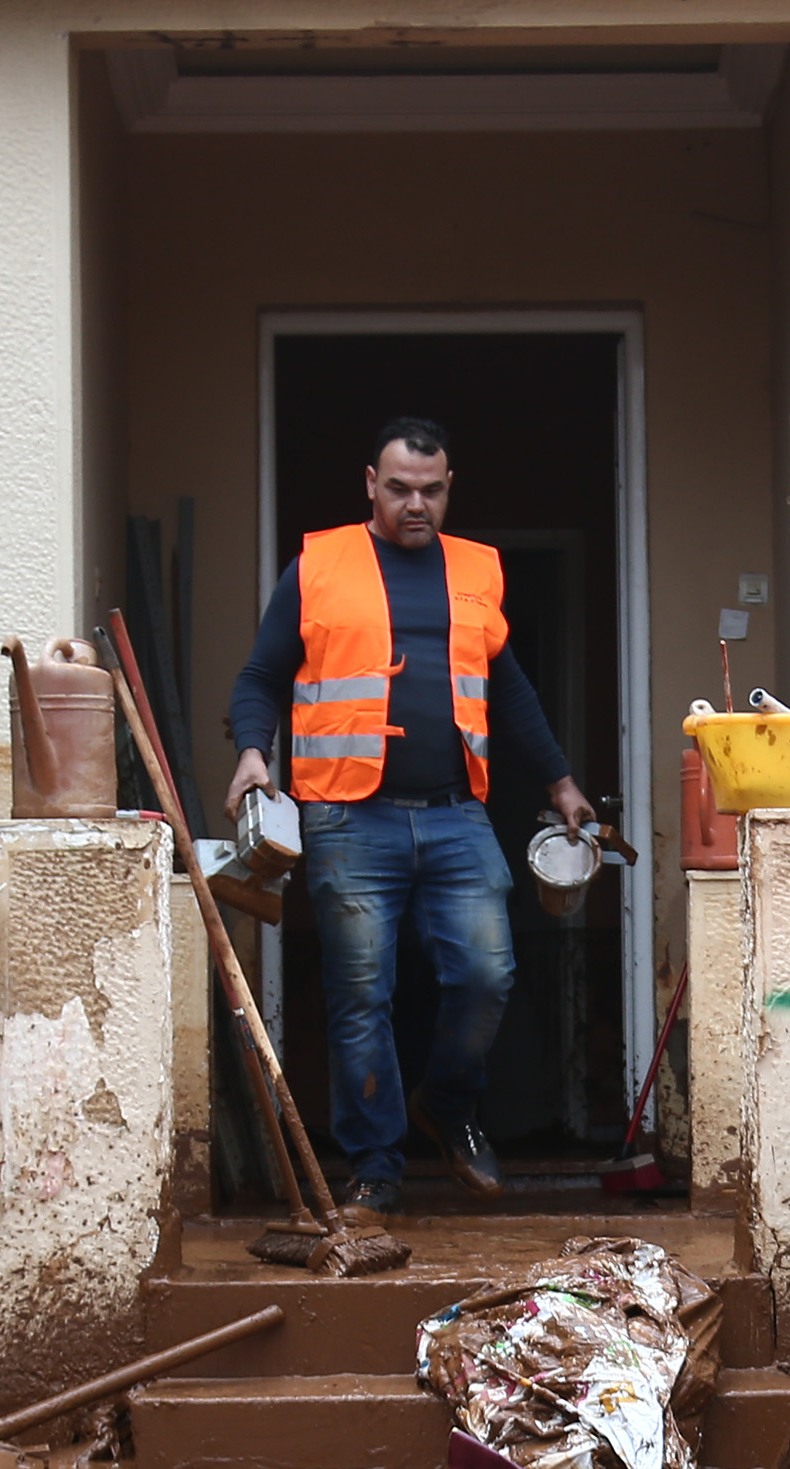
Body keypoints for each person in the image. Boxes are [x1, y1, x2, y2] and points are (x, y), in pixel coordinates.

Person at [227, 416, 602, 1213]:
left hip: (454, 816)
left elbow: (511, 692)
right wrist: (253, 752)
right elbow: (260, 675)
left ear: (448, 488)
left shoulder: (476, 571)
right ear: (370, 483)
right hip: (345, 819)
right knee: (361, 993)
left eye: (430, 490)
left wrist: (561, 781)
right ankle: (375, 1167)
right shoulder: (318, 565)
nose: (414, 504)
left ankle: (448, 1102)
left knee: (486, 971)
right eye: (398, 488)